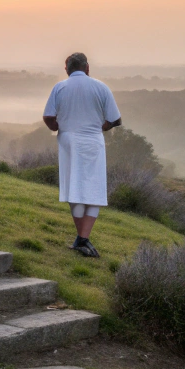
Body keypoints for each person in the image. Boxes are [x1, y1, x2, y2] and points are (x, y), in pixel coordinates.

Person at [42, 52, 121, 258]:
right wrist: (100, 126)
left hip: (68, 140)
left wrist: (60, 126)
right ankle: (83, 239)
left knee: (73, 184)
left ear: (67, 69)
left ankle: (81, 239)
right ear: (87, 68)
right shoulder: (101, 87)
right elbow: (115, 119)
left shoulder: (60, 87)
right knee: (94, 187)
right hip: (92, 140)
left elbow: (48, 117)